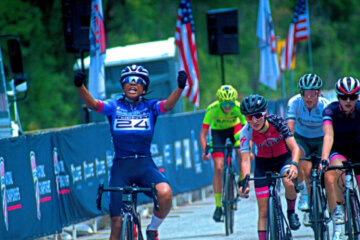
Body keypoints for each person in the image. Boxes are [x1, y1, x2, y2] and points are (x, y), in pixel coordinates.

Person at [74, 65, 187, 240]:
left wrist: (180, 88)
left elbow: (168, 105)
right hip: (121, 167)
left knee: (165, 193)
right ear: (122, 86)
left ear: (144, 88)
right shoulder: (114, 106)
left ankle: (152, 229)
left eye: (138, 81)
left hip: (145, 165)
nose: (132, 84)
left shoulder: (151, 106)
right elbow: (94, 105)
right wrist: (81, 87)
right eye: (127, 80)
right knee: (117, 226)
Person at [238, 94, 301, 240]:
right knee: (263, 211)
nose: (254, 121)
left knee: (288, 181)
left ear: (265, 112)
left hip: (283, 158)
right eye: (249, 118)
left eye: (258, 115)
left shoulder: (277, 122)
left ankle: (291, 212)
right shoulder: (245, 132)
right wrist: (244, 181)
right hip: (263, 163)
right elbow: (245, 159)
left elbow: (295, 148)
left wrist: (294, 165)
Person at [286, 73, 329, 225]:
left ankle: (324, 198)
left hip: (320, 139)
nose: (309, 97)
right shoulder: (294, 103)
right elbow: (289, 130)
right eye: (305, 93)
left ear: (319, 92)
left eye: (313, 93)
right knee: (302, 160)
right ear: (301, 93)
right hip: (302, 138)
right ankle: (305, 194)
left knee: (323, 171)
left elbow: (329, 132)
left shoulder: (325, 104)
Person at [199, 85, 247, 222]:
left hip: (235, 129)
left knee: (241, 150)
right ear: (219, 102)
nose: (228, 107)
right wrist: (205, 151)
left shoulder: (238, 107)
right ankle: (218, 206)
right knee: (219, 168)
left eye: (230, 104)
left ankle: (241, 178)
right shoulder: (212, 109)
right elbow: (202, 134)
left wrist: (247, 148)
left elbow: (246, 130)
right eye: (224, 104)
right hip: (218, 133)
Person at [321, 76, 360, 240]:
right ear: (338, 97)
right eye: (344, 97)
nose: (348, 100)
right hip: (339, 151)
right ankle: (338, 222)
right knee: (331, 172)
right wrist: (324, 159)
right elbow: (328, 136)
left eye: (353, 97)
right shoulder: (330, 111)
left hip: (358, 151)